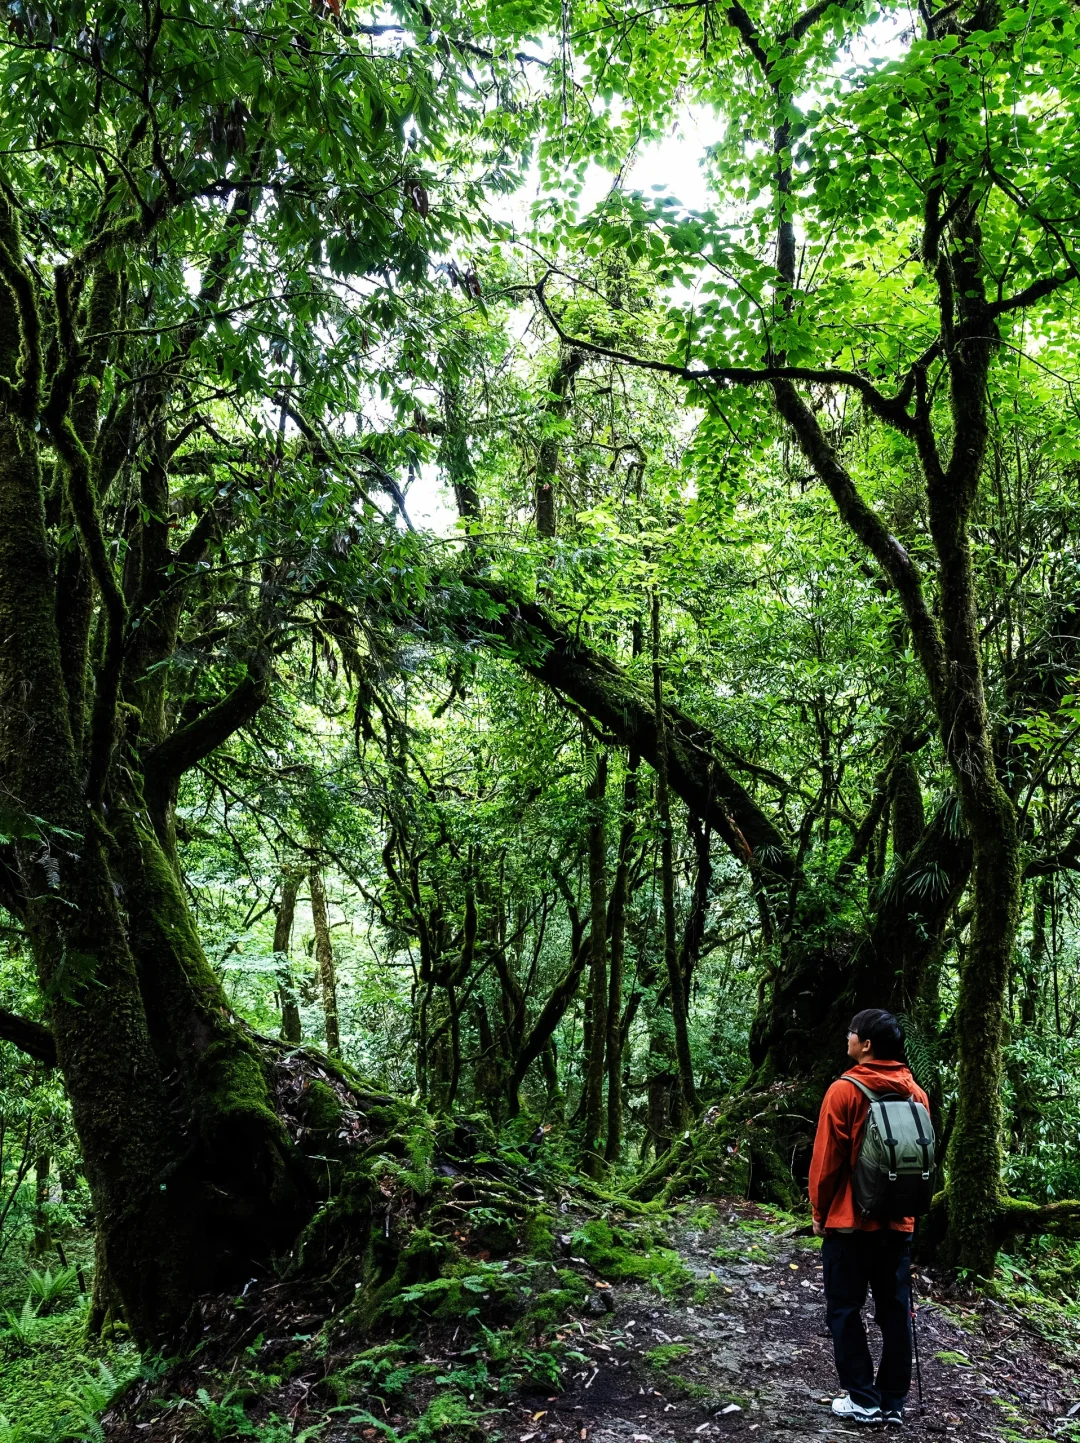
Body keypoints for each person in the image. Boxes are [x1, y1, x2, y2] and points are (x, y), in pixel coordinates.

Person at [809, 1008, 930, 1428]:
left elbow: (826, 1162)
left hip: (849, 1223)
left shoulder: (844, 1091)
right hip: (899, 1223)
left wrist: (819, 1212)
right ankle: (893, 1401)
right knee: (894, 1310)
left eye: (852, 1033)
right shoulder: (917, 1093)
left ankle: (862, 1398)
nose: (848, 1038)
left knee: (845, 1307)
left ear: (867, 1045)